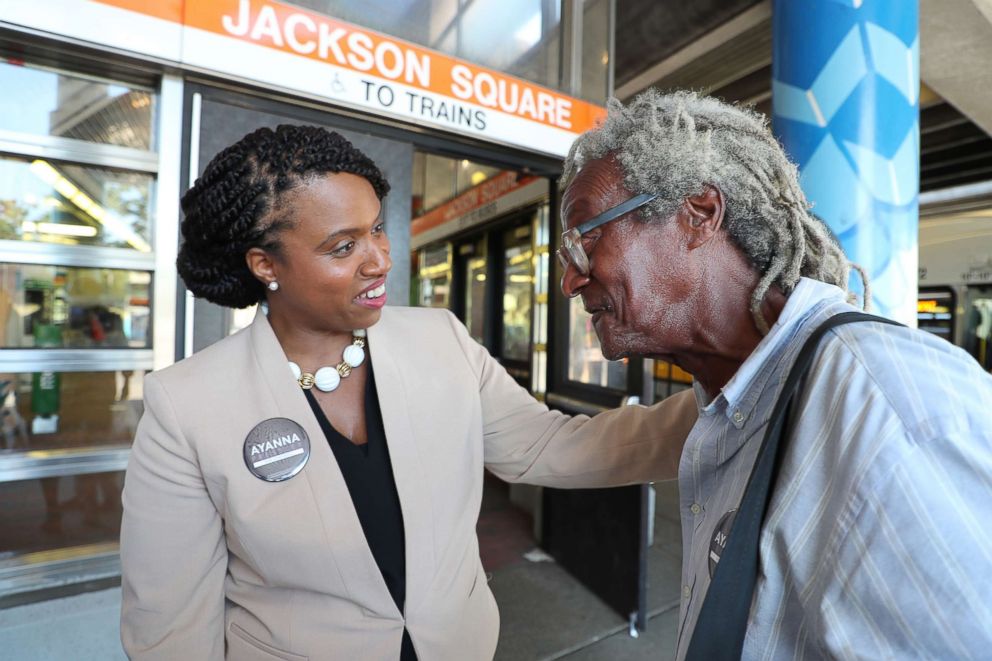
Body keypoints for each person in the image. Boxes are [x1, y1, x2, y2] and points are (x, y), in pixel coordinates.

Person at [119, 124, 698, 660]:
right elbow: (170, 626)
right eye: (342, 247)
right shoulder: (186, 405)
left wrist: (731, 407)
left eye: (375, 228)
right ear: (265, 264)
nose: (380, 260)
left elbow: (547, 446)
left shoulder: (438, 337)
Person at [558, 89, 992, 659]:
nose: (570, 279)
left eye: (585, 238)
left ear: (699, 215)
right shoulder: (728, 403)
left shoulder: (889, 408)